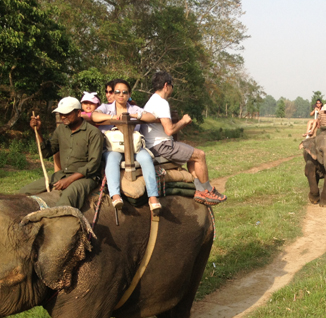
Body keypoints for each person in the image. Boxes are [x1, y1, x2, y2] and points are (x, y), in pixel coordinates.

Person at [141, 71, 226, 206]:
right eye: (172, 85)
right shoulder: (161, 102)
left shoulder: (151, 101)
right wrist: (183, 121)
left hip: (154, 144)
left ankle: (199, 189)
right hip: (161, 146)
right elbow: (169, 130)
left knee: (192, 154)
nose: (172, 89)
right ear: (166, 85)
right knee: (200, 155)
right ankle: (207, 190)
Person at [91, 79, 162, 214]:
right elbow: (94, 115)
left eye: (124, 92)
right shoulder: (106, 107)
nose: (121, 95)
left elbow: (152, 116)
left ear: (129, 94)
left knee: (146, 158)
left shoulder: (134, 108)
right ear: (114, 94)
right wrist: (112, 117)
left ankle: (153, 197)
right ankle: (115, 195)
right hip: (114, 147)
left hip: (134, 146)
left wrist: (135, 115)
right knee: (111, 158)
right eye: (117, 92)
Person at [20, 97, 104, 210]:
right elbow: (46, 152)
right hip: (63, 174)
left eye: (67, 113)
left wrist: (69, 180)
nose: (63, 117)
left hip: (86, 177)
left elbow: (93, 164)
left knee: (65, 201)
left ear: (78, 113)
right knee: (23, 192)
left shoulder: (93, 133)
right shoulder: (61, 130)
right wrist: (38, 131)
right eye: (61, 114)